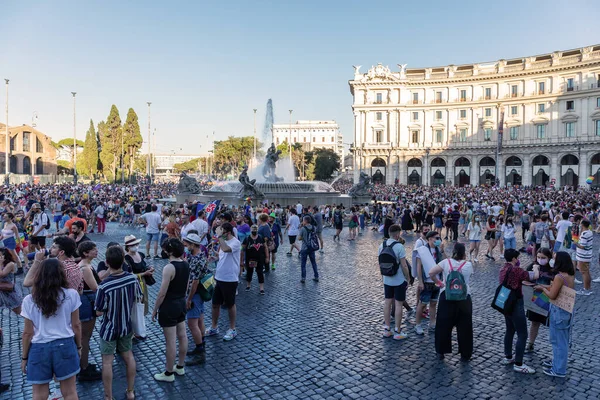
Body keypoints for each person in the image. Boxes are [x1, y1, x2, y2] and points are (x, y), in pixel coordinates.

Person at [20, 258, 82, 400]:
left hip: (39, 348)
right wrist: (79, 346)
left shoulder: (29, 300)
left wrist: (24, 357)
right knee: (70, 392)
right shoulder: (71, 295)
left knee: (39, 395)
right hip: (65, 345)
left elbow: (27, 333)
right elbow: (76, 325)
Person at [95, 246, 141, 400]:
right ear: (123, 261)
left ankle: (108, 397)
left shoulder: (104, 285)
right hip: (126, 327)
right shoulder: (132, 278)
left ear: (107, 263)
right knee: (129, 357)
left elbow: (99, 311)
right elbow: (138, 298)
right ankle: (130, 391)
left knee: (107, 363)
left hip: (109, 328)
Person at [152, 238, 189, 382]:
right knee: (183, 336)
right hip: (181, 302)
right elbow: (186, 286)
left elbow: (162, 293)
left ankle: (168, 373)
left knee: (171, 342)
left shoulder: (169, 268)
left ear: (170, 251)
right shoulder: (186, 264)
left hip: (169, 306)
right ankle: (179, 366)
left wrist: (155, 309)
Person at [429, 243, 474, 361]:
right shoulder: (468, 265)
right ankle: (465, 353)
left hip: (447, 296)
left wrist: (440, 283)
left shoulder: (446, 263)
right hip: (464, 297)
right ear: (464, 253)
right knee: (465, 326)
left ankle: (441, 351)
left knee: (443, 325)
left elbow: (431, 273)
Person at [535, 251, 575, 378]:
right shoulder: (569, 275)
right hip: (565, 311)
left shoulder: (559, 277)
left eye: (555, 259)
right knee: (559, 339)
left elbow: (552, 294)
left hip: (558, 311)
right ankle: (556, 363)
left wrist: (542, 289)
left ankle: (558, 370)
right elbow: (558, 288)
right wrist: (545, 286)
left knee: (558, 342)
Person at [499, 248, 539, 374]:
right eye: (518, 258)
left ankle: (508, 356)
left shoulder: (503, 269)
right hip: (516, 303)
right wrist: (536, 267)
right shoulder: (517, 270)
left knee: (510, 330)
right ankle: (519, 363)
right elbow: (534, 276)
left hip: (506, 302)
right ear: (514, 259)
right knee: (522, 334)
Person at [205, 223, 240, 342]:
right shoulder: (222, 242)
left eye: (222, 232)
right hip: (219, 277)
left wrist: (219, 236)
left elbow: (226, 249)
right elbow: (223, 255)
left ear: (228, 232)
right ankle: (214, 326)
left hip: (230, 278)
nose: (219, 235)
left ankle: (232, 328)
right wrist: (215, 257)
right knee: (215, 304)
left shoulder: (235, 242)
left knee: (230, 304)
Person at [76, 241, 102, 381]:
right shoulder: (85, 267)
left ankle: (83, 364)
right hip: (87, 302)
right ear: (86, 253)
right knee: (85, 337)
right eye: (93, 249)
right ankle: (83, 367)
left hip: (86, 301)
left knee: (85, 336)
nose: (96, 251)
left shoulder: (86, 265)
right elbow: (95, 287)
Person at [182, 233, 209, 364]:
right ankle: (201, 345)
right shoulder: (198, 256)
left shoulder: (197, 260)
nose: (185, 245)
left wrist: (189, 299)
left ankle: (200, 352)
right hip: (198, 294)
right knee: (200, 320)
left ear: (193, 245)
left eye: (187, 243)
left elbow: (194, 282)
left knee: (192, 324)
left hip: (195, 295)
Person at [380, 224, 410, 340]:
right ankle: (398, 331)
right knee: (398, 304)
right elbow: (404, 265)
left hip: (387, 279)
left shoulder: (381, 245)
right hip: (398, 280)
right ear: (397, 234)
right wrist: (407, 278)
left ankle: (387, 329)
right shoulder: (399, 247)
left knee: (387, 303)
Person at [123, 235, 155, 339]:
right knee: (133, 307)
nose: (136, 246)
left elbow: (144, 266)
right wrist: (144, 273)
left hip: (142, 283)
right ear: (128, 247)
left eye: (136, 244)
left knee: (142, 305)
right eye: (133, 245)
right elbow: (129, 275)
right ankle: (133, 330)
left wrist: (149, 269)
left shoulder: (140, 254)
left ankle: (139, 329)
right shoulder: (126, 258)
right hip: (133, 285)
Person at [525, 248, 555, 354]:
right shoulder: (532, 266)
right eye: (539, 257)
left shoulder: (553, 270)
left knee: (552, 325)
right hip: (535, 300)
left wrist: (542, 286)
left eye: (543, 258)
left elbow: (556, 286)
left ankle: (555, 348)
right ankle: (530, 343)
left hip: (549, 300)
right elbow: (525, 280)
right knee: (534, 323)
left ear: (549, 258)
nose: (540, 259)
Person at [414, 231, 444, 335]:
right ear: (430, 239)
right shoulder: (422, 250)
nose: (438, 240)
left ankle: (432, 323)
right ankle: (417, 324)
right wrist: (420, 281)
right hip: (426, 281)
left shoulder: (438, 250)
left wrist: (443, 250)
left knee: (433, 303)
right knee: (422, 304)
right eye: (436, 238)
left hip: (437, 281)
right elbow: (419, 267)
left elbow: (445, 261)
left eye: (439, 238)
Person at [241, 225, 268, 294]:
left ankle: (261, 288)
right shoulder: (247, 238)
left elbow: (265, 247)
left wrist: (267, 257)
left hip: (259, 259)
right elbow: (242, 249)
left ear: (257, 230)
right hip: (250, 259)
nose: (254, 231)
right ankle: (248, 285)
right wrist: (241, 260)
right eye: (253, 229)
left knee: (260, 272)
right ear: (251, 230)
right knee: (249, 272)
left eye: (255, 229)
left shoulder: (261, 238)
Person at [0, 248, 22, 315]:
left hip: (9, 291)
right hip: (1, 291)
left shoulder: (10, 264)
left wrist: (0, 264)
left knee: (19, 311)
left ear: (4, 256)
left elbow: (2, 274)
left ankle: (31, 324)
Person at [298, 216, 319, 284]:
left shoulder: (303, 229)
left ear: (305, 221)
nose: (302, 222)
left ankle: (303, 278)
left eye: (303, 220)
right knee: (313, 263)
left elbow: (299, 238)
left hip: (304, 248)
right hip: (312, 247)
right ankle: (316, 276)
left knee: (303, 264)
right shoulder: (314, 228)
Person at [575, 219, 593, 296]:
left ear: (582, 225)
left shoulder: (585, 234)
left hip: (583, 256)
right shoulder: (589, 232)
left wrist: (575, 243)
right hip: (587, 255)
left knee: (584, 273)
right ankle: (588, 288)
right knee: (587, 272)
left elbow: (582, 246)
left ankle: (586, 289)